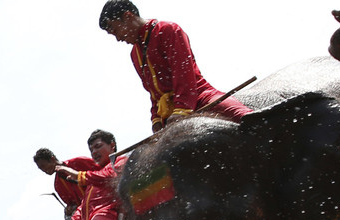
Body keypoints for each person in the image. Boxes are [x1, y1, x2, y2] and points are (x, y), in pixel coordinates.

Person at [98, 0, 251, 132]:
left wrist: (182, 109)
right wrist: (156, 119)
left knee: (245, 118)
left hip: (199, 97)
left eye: (116, 30)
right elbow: (153, 93)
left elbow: (183, 75)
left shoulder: (167, 30)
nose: (118, 38)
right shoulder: (134, 54)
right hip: (169, 114)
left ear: (128, 16)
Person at [55, 129, 126, 220]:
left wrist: (76, 174)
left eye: (98, 146)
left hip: (107, 214)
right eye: (91, 150)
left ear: (112, 146)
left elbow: (108, 176)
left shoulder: (119, 161)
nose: (94, 152)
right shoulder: (93, 177)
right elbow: (82, 207)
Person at [32, 148, 100, 220]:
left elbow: (102, 172)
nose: (43, 170)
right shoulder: (58, 185)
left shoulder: (79, 162)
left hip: (102, 202)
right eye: (40, 168)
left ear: (52, 159)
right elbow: (73, 205)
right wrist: (69, 209)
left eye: (43, 166)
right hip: (88, 213)